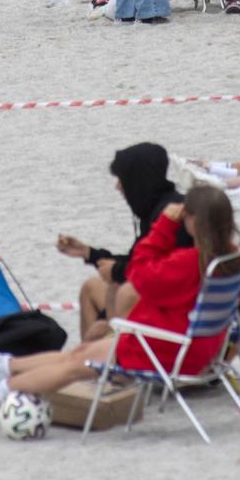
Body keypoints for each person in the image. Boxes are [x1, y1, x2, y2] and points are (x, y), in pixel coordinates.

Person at [0, 185, 239, 405]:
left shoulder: (189, 263)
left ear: (192, 220)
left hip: (166, 349)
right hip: (199, 348)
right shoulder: (232, 258)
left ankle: (6, 387)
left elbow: (138, 272)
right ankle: (5, 364)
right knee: (82, 352)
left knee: (77, 364)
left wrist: (165, 227)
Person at [53, 142, 183, 339]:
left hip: (165, 312)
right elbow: (137, 259)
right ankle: (95, 359)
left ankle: (99, 356)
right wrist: (88, 252)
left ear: (138, 181)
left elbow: (150, 272)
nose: (118, 187)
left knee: (111, 298)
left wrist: (115, 271)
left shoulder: (168, 218)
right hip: (156, 296)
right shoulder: (161, 206)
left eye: (123, 180)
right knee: (91, 288)